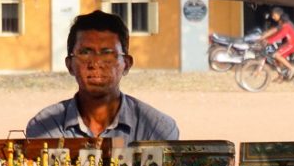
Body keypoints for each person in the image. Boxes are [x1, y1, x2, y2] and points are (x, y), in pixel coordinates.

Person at [26, 10, 179, 141]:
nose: (96, 63)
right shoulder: (45, 127)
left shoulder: (157, 129)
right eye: (85, 53)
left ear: (126, 63)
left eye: (107, 53)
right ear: (69, 65)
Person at [259, 6, 294, 77]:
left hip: (292, 44)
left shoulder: (286, 24)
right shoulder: (282, 23)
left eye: (274, 15)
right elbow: (274, 30)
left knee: (276, 55)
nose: (273, 17)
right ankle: (281, 76)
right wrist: (263, 36)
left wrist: (269, 40)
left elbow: (280, 35)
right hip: (287, 44)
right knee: (276, 58)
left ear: (279, 14)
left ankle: (292, 68)